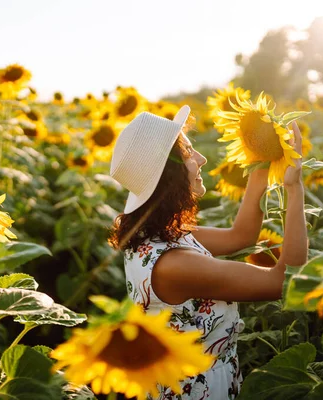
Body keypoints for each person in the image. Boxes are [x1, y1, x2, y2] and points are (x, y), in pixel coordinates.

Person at [108, 105, 308, 400]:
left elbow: (240, 237)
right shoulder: (174, 266)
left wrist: (262, 159)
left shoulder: (154, 235)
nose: (201, 159)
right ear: (170, 174)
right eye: (188, 154)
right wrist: (294, 187)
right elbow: (286, 280)